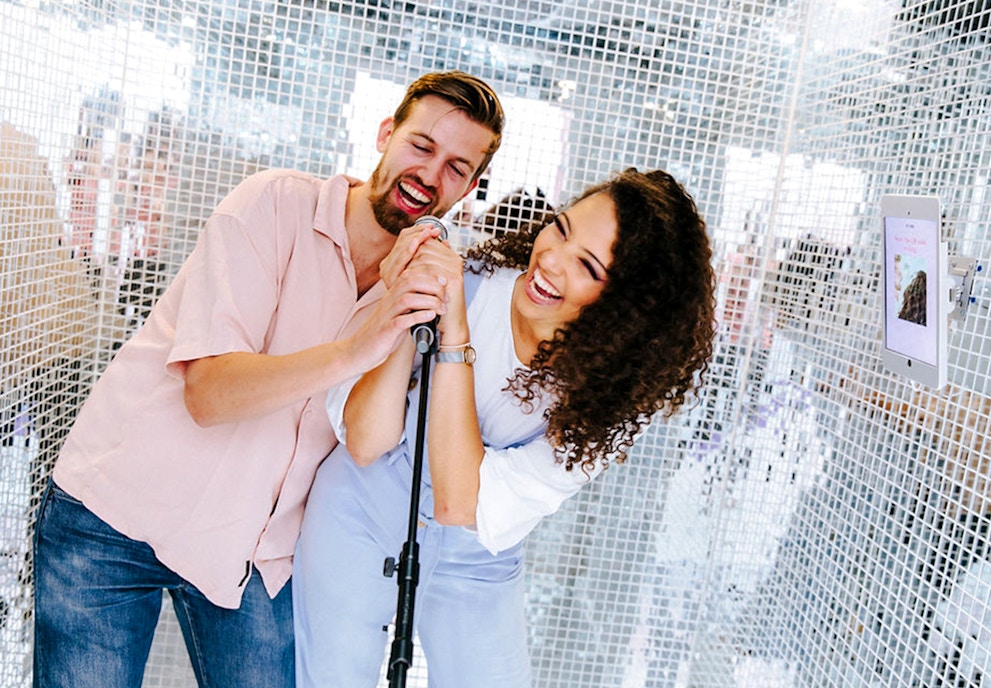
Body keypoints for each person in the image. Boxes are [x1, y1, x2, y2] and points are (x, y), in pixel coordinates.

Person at [32, 70, 505, 688]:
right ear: (387, 134)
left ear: (469, 187)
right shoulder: (273, 205)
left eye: (456, 167)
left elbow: (368, 441)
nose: (430, 175)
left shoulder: (426, 288)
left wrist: (418, 312)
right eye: (421, 146)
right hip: (116, 519)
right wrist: (356, 347)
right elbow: (208, 393)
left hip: (254, 554)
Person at [292, 167, 717, 686]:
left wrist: (455, 335)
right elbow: (364, 441)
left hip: (476, 560)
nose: (552, 261)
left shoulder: (605, 404)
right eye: (560, 229)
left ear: (626, 308)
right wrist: (411, 302)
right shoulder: (468, 279)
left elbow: (459, 504)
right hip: (360, 512)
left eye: (587, 265)